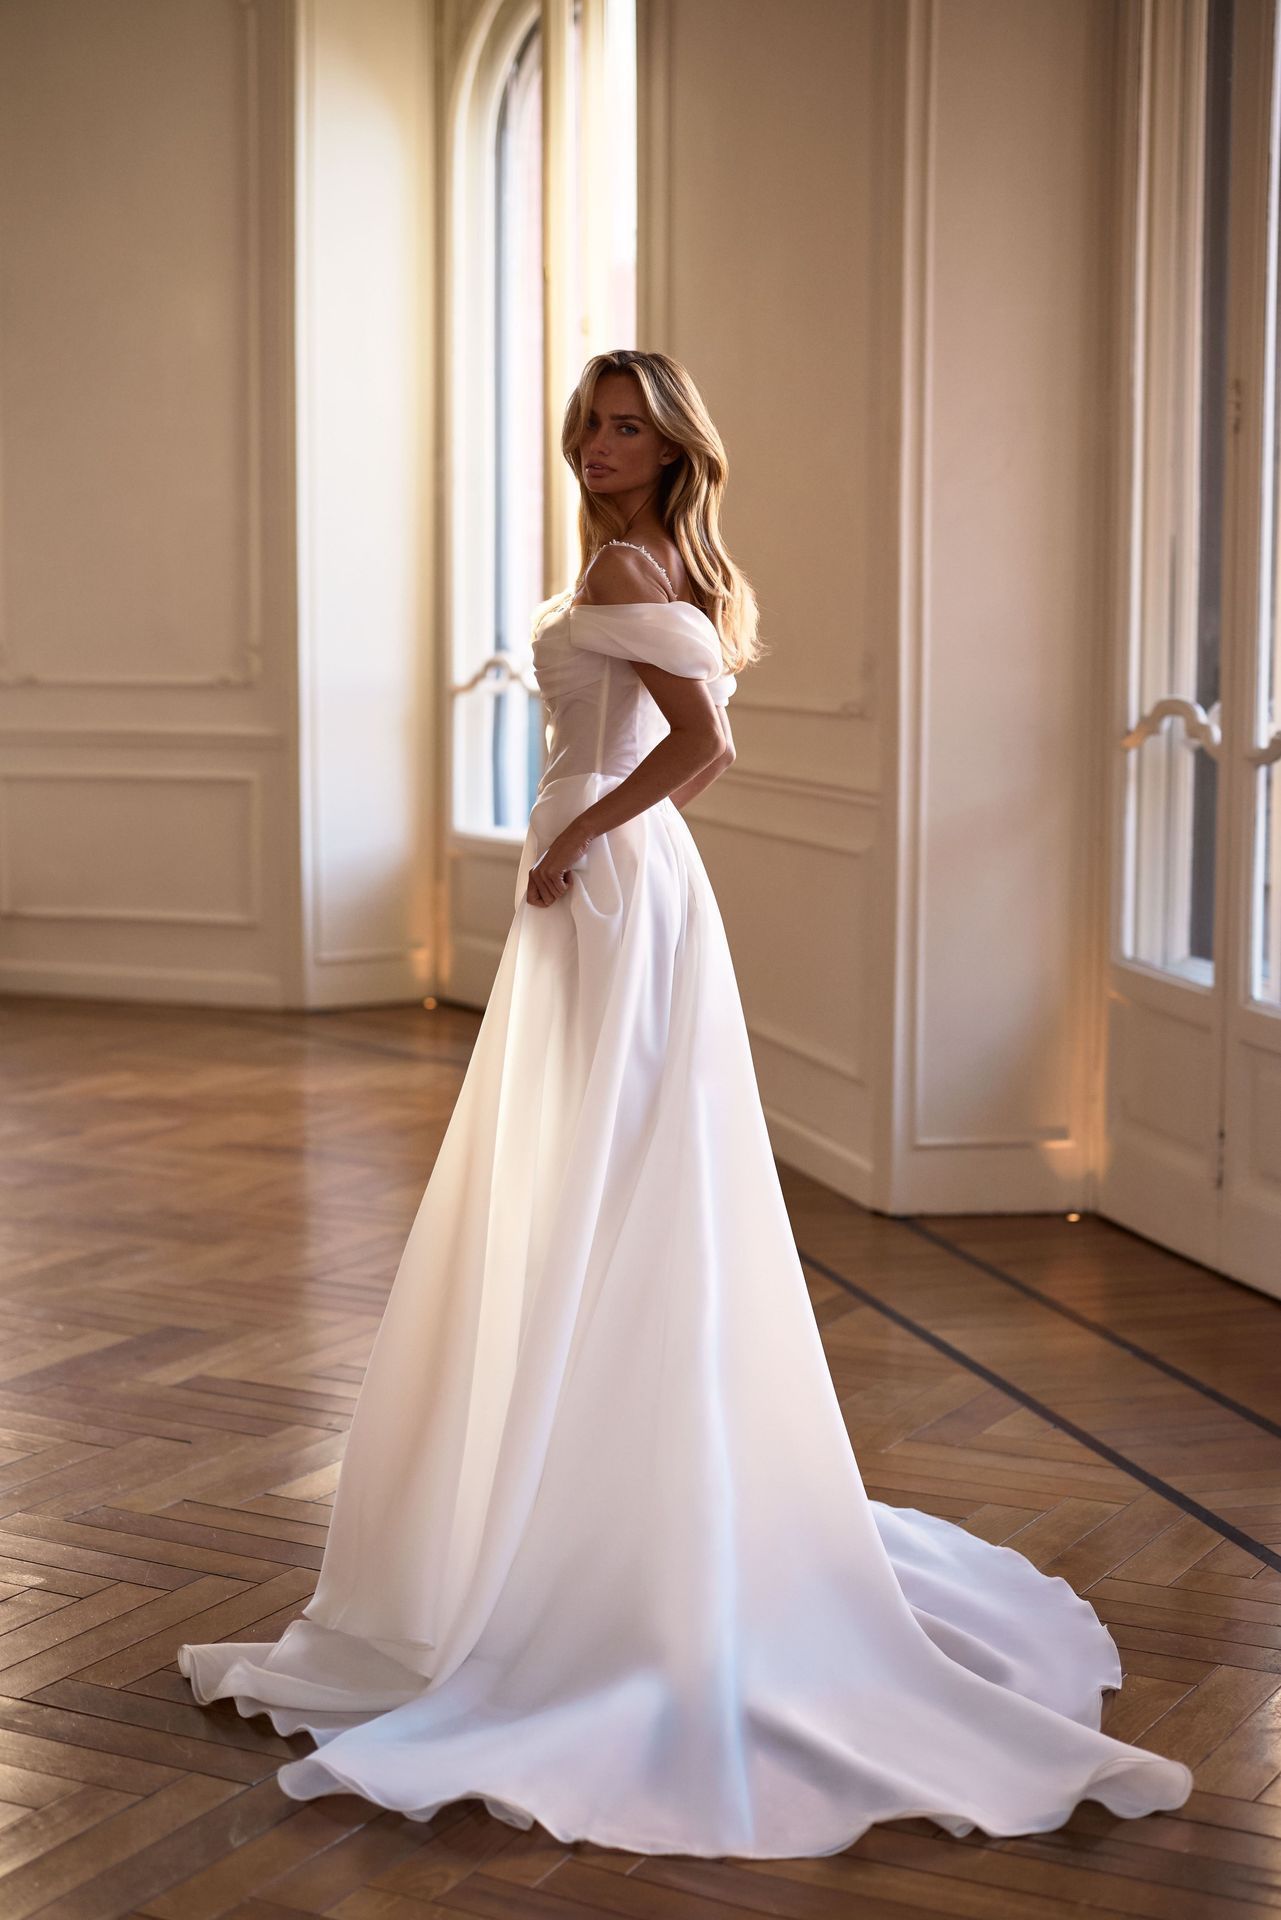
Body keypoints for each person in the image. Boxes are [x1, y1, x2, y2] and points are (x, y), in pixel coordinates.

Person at [177, 349, 1194, 1858]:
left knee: (601, 1180)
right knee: (593, 1179)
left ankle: (595, 1513)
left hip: (601, 889)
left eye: (628, 425)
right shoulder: (628, 556)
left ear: (672, 448)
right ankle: (581, 1475)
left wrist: (573, 835)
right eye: (589, 422)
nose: (599, 443)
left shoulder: (640, 560)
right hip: (609, 894)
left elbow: (708, 748)